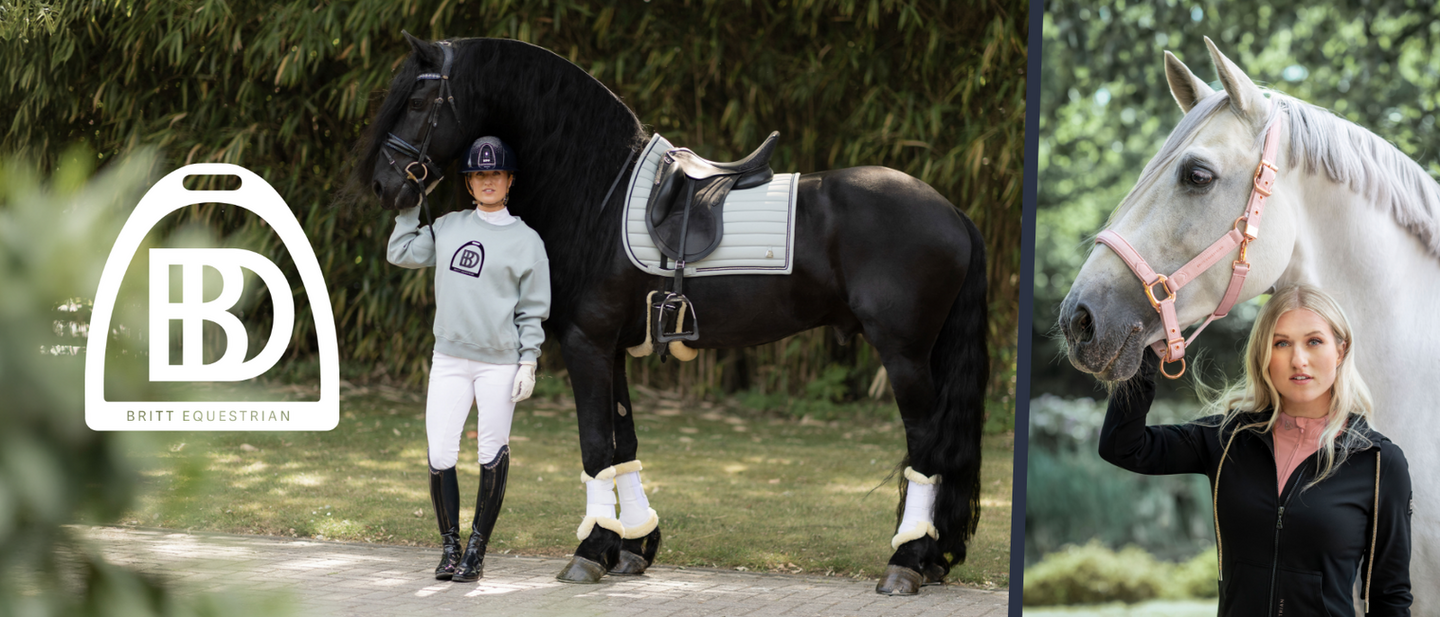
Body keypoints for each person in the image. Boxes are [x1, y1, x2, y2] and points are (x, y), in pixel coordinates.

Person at [1098, 284, 1411, 616]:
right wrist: (1146, 352)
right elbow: (1123, 446)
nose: (1298, 360)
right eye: (1281, 343)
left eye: (1314, 341)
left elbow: (1389, 595)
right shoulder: (1228, 438)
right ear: (1264, 353)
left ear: (1340, 351)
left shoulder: (1378, 462)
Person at [387, 136, 550, 583]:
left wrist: (528, 361)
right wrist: (408, 205)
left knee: (490, 453)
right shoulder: (449, 226)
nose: (488, 181)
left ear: (510, 180)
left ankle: (476, 551)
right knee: (440, 452)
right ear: (469, 182)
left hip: (500, 362)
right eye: (479, 174)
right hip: (449, 359)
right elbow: (400, 252)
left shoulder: (527, 241)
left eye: (496, 173)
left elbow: (533, 310)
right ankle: (449, 549)